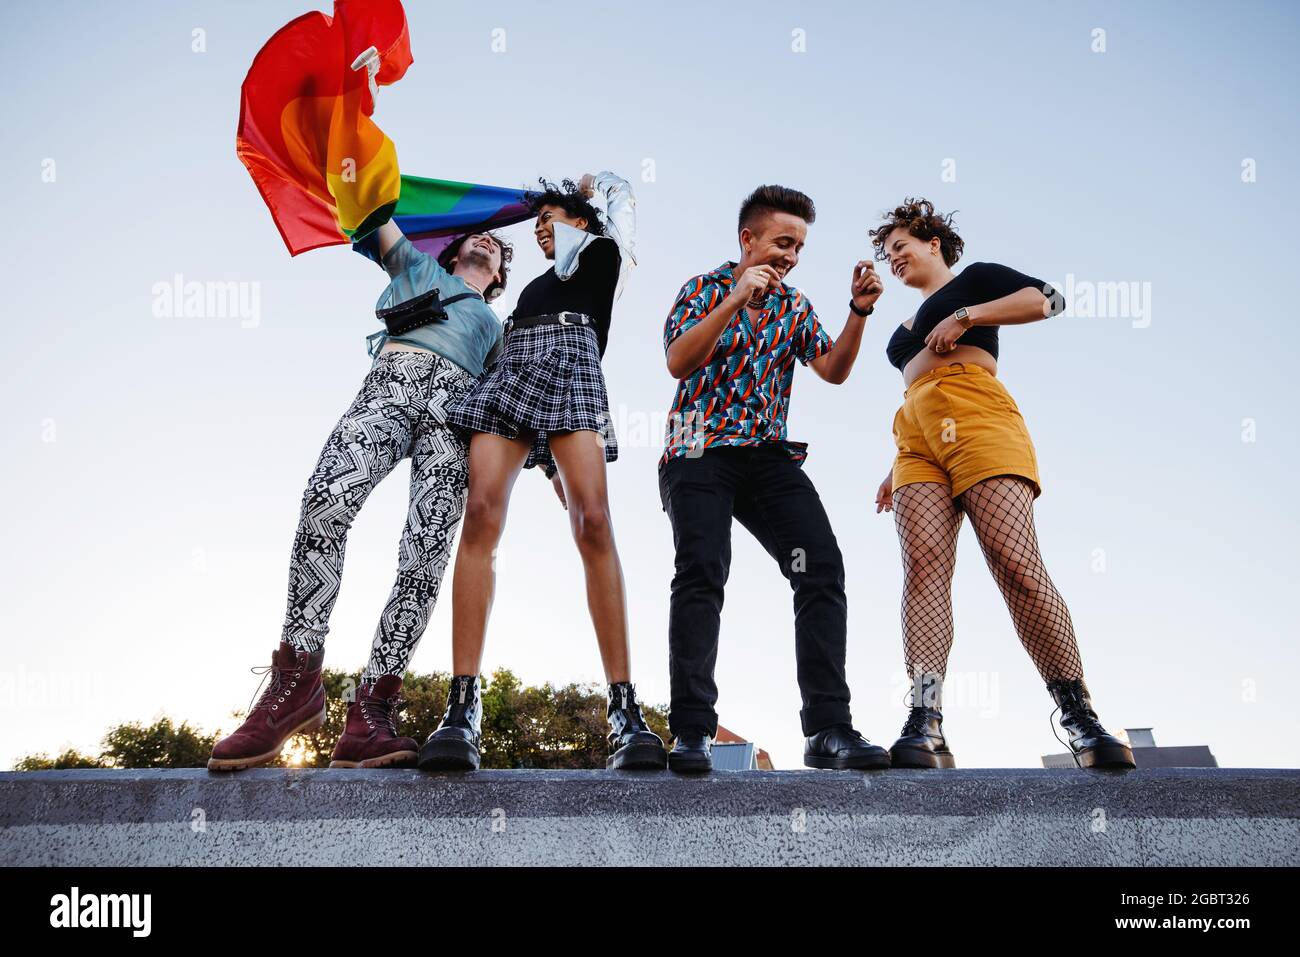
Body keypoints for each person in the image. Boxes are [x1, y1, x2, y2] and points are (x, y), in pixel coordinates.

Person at [207, 222, 512, 771]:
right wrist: (348, 144)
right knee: (326, 499)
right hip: (391, 388)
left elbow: (513, 399)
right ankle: (296, 682)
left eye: (499, 247)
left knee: (425, 556)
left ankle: (371, 711)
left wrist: (550, 468)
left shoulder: (496, 326)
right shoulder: (418, 268)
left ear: (499, 279)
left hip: (454, 416)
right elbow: (376, 214)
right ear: (455, 248)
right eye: (480, 235)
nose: (489, 240)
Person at [869, 197, 1135, 770]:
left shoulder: (976, 280)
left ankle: (1078, 714)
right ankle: (926, 719)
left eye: (899, 247)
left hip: (977, 412)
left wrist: (967, 316)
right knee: (923, 569)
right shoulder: (900, 325)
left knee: (1013, 561)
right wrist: (897, 463)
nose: (893, 259)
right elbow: (918, 384)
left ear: (931, 241)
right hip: (915, 433)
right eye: (887, 254)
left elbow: (1051, 299)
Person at [420, 171, 667, 772]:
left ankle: (624, 712)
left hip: (573, 364)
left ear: (582, 221)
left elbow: (622, 199)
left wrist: (593, 183)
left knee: (593, 522)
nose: (538, 233)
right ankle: (462, 708)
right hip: (514, 365)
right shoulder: (530, 287)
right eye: (534, 226)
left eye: (548, 220)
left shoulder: (607, 256)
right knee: (480, 515)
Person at [657, 184, 889, 773]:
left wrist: (857, 312)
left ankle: (829, 730)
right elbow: (679, 361)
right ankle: (690, 731)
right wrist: (734, 299)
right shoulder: (704, 289)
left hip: (766, 455)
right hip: (697, 446)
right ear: (748, 239)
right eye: (783, 242)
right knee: (703, 569)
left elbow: (832, 369)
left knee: (821, 566)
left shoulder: (794, 305)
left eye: (799, 246)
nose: (790, 255)